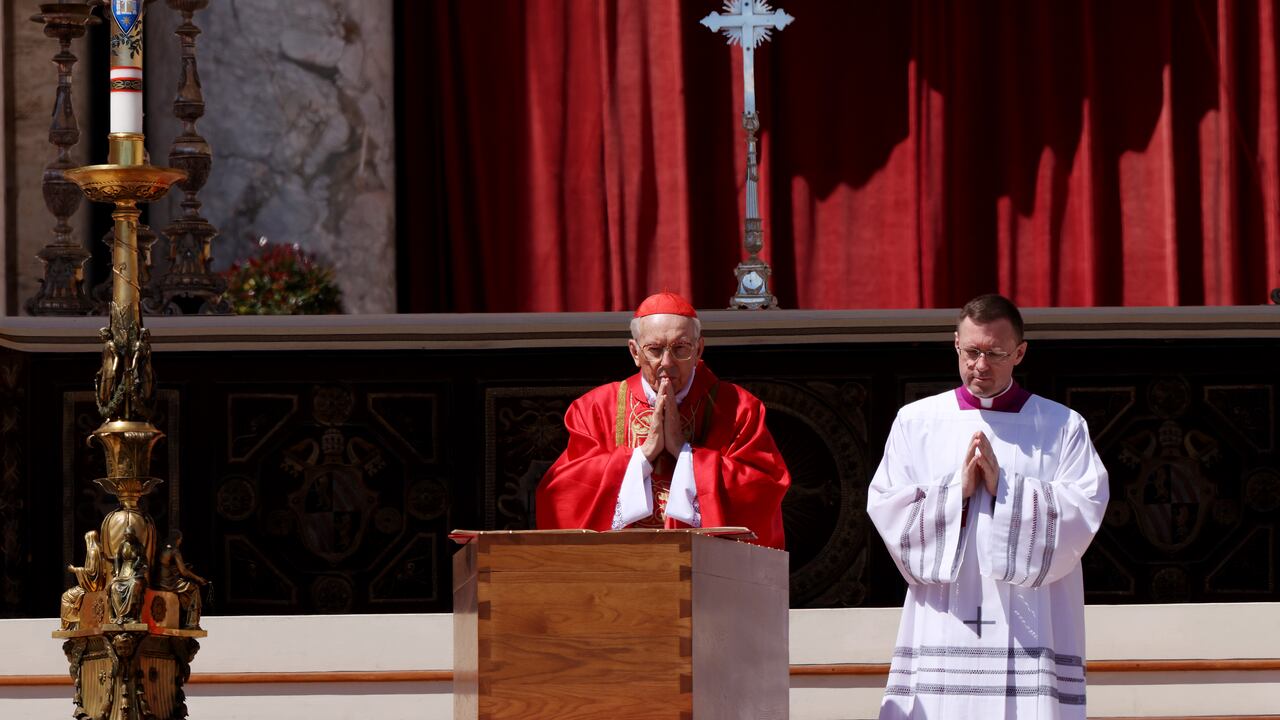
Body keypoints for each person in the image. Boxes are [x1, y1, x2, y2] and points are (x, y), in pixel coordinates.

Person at [868, 294, 1109, 719]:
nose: (981, 365)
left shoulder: (1062, 426)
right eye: (972, 351)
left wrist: (1007, 490)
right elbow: (888, 505)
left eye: (995, 353)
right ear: (955, 344)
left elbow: (1084, 508)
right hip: (946, 613)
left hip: (1028, 614)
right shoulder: (916, 421)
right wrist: (955, 492)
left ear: (1019, 352)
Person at [536, 291, 790, 549]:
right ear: (635, 352)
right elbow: (559, 494)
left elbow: (764, 491)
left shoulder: (739, 408)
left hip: (707, 567)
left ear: (699, 349)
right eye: (654, 350)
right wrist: (643, 455)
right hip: (620, 566)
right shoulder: (594, 408)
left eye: (680, 348)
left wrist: (685, 453)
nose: (667, 363)